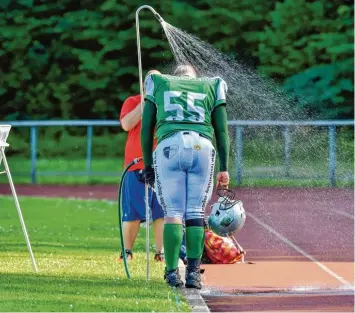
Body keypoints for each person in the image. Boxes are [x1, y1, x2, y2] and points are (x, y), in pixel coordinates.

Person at [141, 64, 230, 289]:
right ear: (194, 78)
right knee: (195, 212)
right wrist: (225, 167)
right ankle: (193, 274)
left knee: (172, 213)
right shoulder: (211, 84)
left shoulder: (160, 83)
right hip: (202, 147)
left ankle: (172, 273)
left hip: (169, 146)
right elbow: (221, 130)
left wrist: (148, 165)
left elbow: (146, 127)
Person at [119, 69, 165, 262]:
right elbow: (126, 124)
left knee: (161, 211)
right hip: (134, 165)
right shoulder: (132, 100)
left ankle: (160, 252)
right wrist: (144, 103)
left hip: (161, 164)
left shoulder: (165, 103)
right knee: (132, 212)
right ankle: (127, 251)